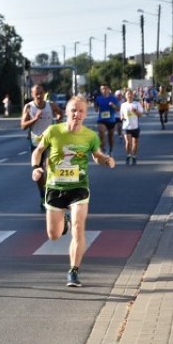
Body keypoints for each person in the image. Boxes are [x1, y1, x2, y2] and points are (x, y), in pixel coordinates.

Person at [30, 95, 115, 288]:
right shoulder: (53, 131)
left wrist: (106, 160)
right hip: (55, 187)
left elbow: (97, 155)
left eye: (81, 111)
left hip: (79, 187)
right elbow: (38, 150)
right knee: (53, 234)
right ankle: (64, 223)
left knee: (79, 226)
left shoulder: (90, 136)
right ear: (67, 112)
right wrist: (36, 167)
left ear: (86, 114)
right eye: (74, 110)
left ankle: (73, 271)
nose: (77, 114)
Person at [20, 84, 62, 211]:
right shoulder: (29, 107)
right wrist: (35, 119)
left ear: (44, 93)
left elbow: (60, 113)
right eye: (36, 93)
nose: (39, 95)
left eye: (41, 92)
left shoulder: (51, 105)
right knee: (38, 173)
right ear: (32, 95)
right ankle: (42, 195)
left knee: (49, 168)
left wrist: (59, 118)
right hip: (35, 143)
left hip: (50, 142)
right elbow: (23, 125)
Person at [119, 89, 144, 165]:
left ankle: (134, 156)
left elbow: (141, 115)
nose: (129, 96)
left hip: (135, 126)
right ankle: (128, 155)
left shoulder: (137, 104)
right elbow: (121, 115)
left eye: (131, 94)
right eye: (128, 94)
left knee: (135, 143)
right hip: (126, 127)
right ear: (125, 96)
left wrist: (135, 111)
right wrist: (122, 118)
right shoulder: (123, 105)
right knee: (128, 142)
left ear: (133, 95)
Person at [93, 85, 118, 156]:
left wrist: (113, 105)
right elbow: (96, 107)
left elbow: (118, 109)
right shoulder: (98, 98)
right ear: (101, 90)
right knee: (101, 134)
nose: (104, 90)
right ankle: (103, 150)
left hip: (111, 120)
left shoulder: (113, 98)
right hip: (101, 119)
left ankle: (111, 150)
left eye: (105, 88)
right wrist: (96, 107)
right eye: (102, 89)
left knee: (110, 136)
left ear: (108, 89)